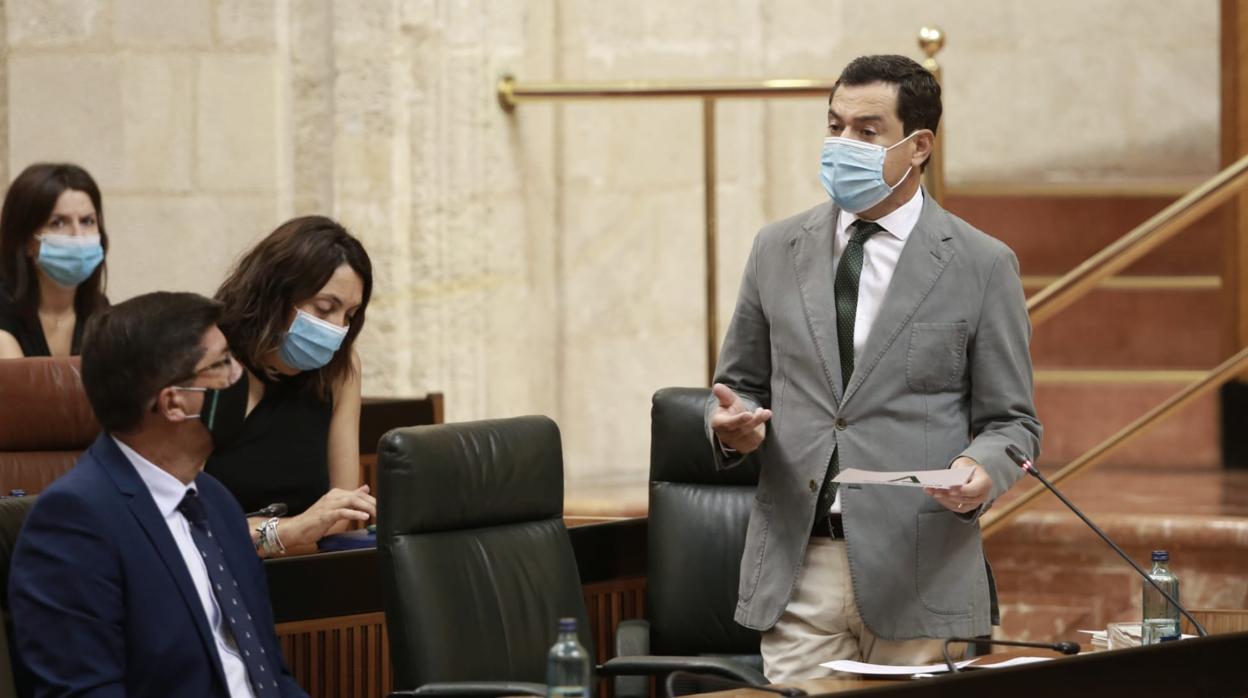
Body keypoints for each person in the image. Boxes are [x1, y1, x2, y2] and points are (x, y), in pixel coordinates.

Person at [706, 55, 1042, 680]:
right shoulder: (776, 248)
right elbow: (738, 386)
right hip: (799, 565)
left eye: (866, 131)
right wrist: (730, 427)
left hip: (920, 565)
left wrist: (981, 470)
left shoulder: (982, 263)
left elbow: (1013, 424)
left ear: (918, 146)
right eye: (834, 126)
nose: (842, 144)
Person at [9, 291, 308, 697]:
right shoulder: (74, 524)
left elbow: (271, 672)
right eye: (222, 364)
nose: (239, 373)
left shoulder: (216, 501)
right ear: (174, 403)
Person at [205, 216, 375, 555]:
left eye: (350, 315)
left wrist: (294, 533)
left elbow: (340, 509)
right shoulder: (210, 361)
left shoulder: (341, 371)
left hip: (302, 567)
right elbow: (181, 521)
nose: (337, 328)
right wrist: (288, 531)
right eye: (325, 308)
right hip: (216, 572)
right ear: (275, 293)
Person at [0, 163, 109, 358]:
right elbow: (19, 386)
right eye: (58, 223)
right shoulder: (3, 310)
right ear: (25, 241)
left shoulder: (99, 311)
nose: (78, 235)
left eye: (87, 221)